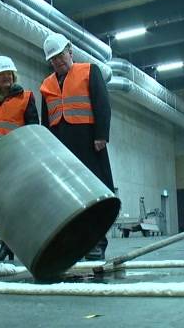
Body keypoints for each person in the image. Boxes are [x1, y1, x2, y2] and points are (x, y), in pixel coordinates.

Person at [39, 33, 115, 261]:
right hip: (62, 147)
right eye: (53, 60)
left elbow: (102, 105)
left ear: (70, 51)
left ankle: (98, 243)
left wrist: (101, 135)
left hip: (89, 143)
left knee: (95, 194)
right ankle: (76, 244)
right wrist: (48, 147)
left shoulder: (90, 71)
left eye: (61, 56)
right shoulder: (47, 85)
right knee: (68, 198)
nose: (58, 62)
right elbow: (46, 118)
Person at [0, 55, 38, 261]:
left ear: (13, 75)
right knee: (1, 206)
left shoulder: (26, 97)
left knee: (18, 205)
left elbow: (33, 128)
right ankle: (5, 248)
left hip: (19, 158)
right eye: (1, 74)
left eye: (8, 73)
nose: (6, 77)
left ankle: (18, 245)